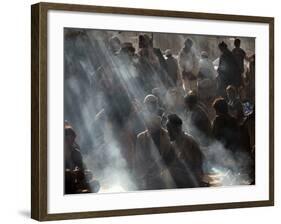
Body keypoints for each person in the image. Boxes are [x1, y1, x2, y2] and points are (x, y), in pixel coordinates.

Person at [134, 95, 175, 190]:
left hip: (162, 171)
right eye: (149, 103)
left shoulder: (162, 114)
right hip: (148, 171)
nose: (151, 105)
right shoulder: (142, 135)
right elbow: (139, 159)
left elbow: (170, 156)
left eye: (153, 103)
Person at [166, 114, 205, 187]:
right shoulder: (176, 142)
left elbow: (192, 165)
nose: (167, 133)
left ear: (176, 129)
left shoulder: (187, 141)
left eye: (169, 130)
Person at [64, 126, 92, 194]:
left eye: (73, 139)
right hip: (64, 183)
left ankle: (78, 189)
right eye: (67, 139)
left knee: (95, 184)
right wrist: (70, 172)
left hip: (75, 182)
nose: (71, 141)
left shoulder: (76, 152)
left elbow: (81, 168)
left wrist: (85, 172)